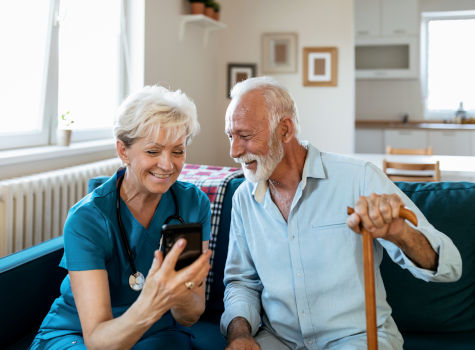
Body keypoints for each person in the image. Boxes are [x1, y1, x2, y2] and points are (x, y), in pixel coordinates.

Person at [220, 76, 462, 350]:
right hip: (279, 341)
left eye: (245, 136)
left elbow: (450, 267)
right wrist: (239, 334)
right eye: (230, 136)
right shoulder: (244, 199)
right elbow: (241, 283)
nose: (234, 150)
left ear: (285, 130)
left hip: (356, 340)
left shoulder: (357, 179)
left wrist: (400, 233)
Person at [30, 85, 212, 350]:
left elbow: (190, 315)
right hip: (80, 334)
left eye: (178, 151)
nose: (167, 164)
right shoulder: (87, 219)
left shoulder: (192, 204)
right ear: (123, 151)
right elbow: (98, 341)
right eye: (153, 151)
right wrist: (153, 300)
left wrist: (179, 292)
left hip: (155, 333)